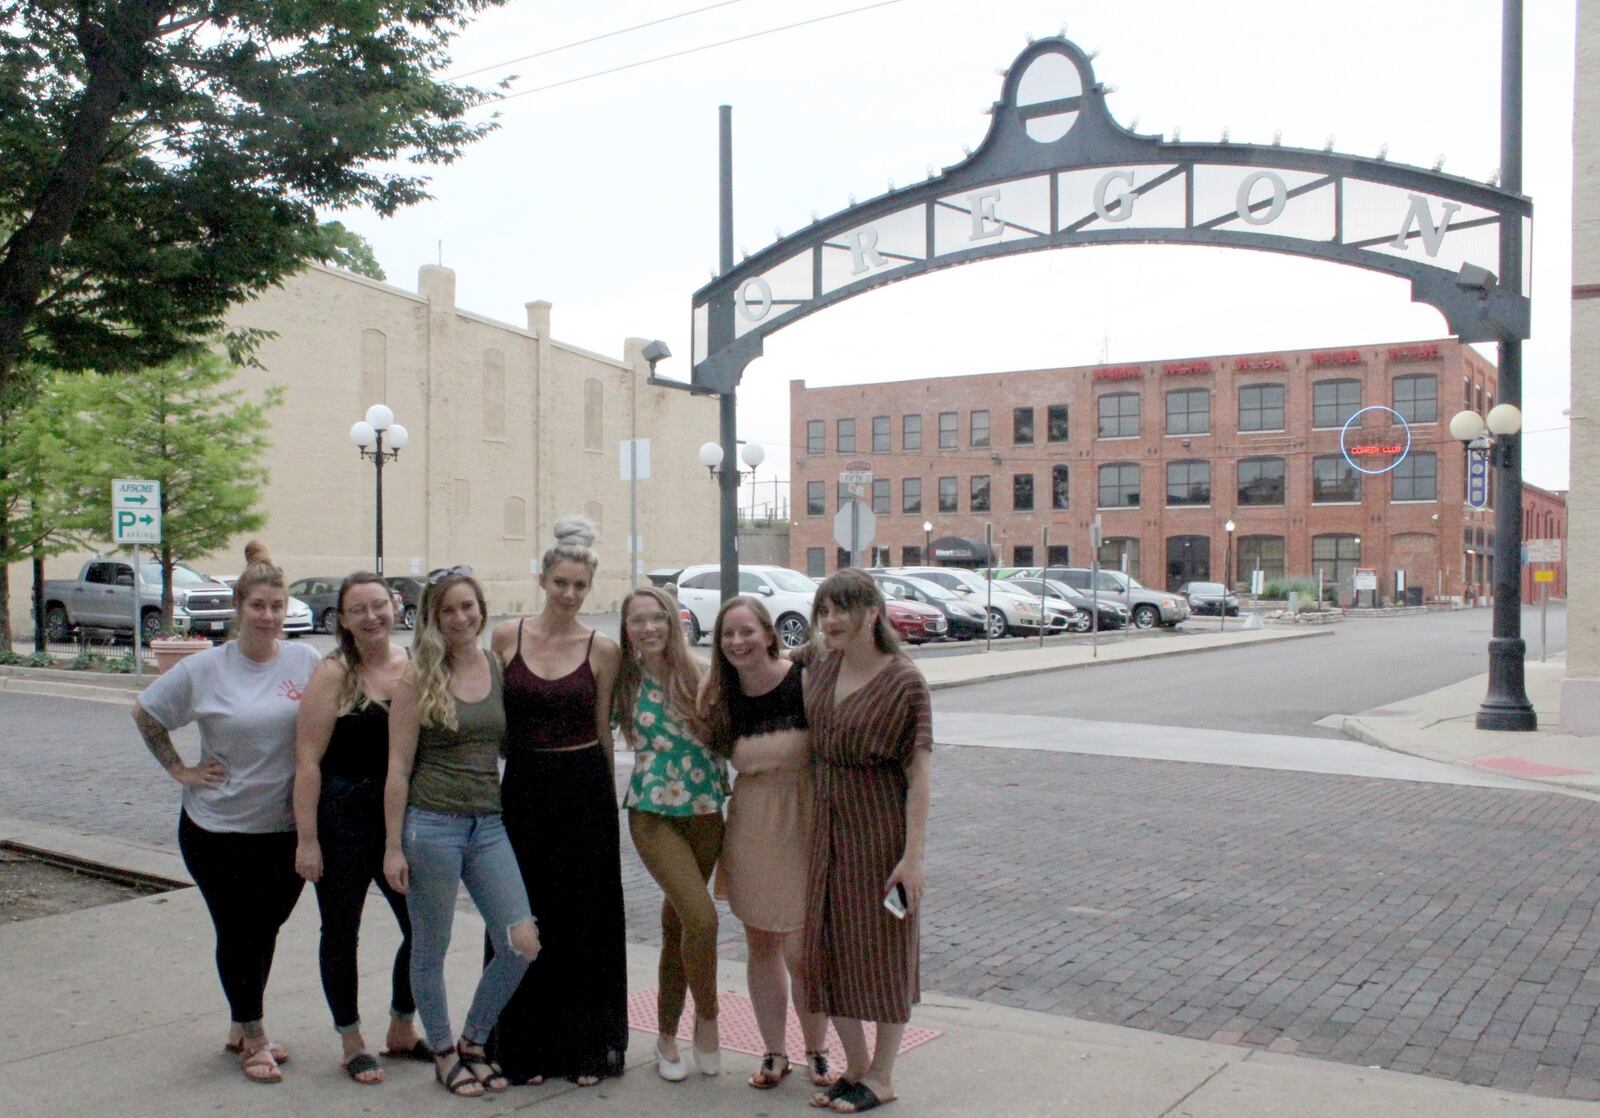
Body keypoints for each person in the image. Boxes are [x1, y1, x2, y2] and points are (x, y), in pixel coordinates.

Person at [131, 541, 321, 1085]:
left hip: (285, 829)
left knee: (265, 930)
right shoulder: (205, 668)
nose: (268, 616)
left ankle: (241, 1022)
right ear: (238, 607)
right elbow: (145, 713)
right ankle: (254, 1037)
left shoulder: (305, 661)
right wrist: (179, 769)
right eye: (257, 605)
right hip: (218, 829)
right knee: (240, 931)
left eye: (277, 606)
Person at [383, 566, 541, 1099]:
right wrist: (391, 846)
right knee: (433, 944)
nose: (459, 618)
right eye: (448, 609)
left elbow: (502, 741)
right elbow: (399, 767)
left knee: (521, 943)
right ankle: (445, 1052)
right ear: (433, 616)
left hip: (487, 823)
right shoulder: (417, 676)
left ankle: (474, 1041)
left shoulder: (495, 665)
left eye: (467, 606)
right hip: (431, 825)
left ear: (481, 608)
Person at [486, 518, 628, 1085]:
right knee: (520, 916)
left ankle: (584, 1046)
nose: (569, 594)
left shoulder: (604, 649)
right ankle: (523, 1044)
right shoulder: (505, 637)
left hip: (583, 788)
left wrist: (607, 806)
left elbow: (604, 733)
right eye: (560, 582)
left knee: (582, 920)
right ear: (542, 579)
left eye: (580, 586)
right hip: (522, 788)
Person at [797, 569, 932, 1114]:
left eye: (841, 610)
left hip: (880, 831)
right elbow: (757, 660)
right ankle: (853, 1067)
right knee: (826, 948)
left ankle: (882, 1075)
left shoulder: (904, 681)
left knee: (884, 949)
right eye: (823, 611)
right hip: (825, 828)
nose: (830, 621)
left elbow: (920, 773)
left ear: (872, 612)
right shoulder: (821, 663)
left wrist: (913, 857)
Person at [292, 571, 425, 1084]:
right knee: (341, 931)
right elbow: (307, 762)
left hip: (403, 820)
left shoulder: (415, 665)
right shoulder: (333, 674)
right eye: (358, 610)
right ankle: (351, 1040)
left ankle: (401, 1025)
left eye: (379, 605)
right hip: (343, 816)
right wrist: (308, 839)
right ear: (343, 620)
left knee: (421, 926)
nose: (372, 617)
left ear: (395, 607)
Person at [698, 595, 834, 1091]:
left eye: (747, 631)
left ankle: (817, 1050)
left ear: (769, 634)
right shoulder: (719, 696)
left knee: (804, 948)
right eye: (728, 634)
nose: (738, 641)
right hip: (752, 822)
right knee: (761, 943)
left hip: (804, 815)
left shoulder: (804, 681)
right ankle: (774, 1051)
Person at [615, 586, 728, 1082]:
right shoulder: (621, 680)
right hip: (652, 811)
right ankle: (708, 1018)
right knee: (701, 917)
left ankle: (665, 1036)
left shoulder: (700, 671)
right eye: (637, 620)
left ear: (672, 620)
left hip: (706, 810)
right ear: (626, 629)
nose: (649, 628)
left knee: (677, 925)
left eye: (656, 617)